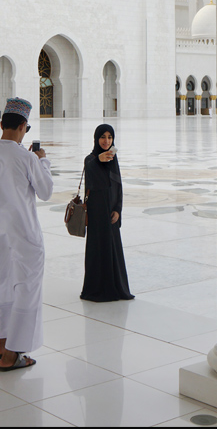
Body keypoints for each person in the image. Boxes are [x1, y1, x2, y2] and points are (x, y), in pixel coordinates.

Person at [0, 97, 53, 371]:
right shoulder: (27, 157)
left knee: (3, 287)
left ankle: (2, 344)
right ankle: (12, 355)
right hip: (26, 237)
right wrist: (43, 162)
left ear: (2, 124)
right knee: (26, 292)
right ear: (22, 126)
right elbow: (45, 192)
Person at [80, 124, 134, 302]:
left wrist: (118, 209)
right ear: (96, 139)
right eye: (103, 137)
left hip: (111, 213)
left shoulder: (113, 158)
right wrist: (98, 161)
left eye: (110, 137)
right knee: (98, 248)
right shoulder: (91, 159)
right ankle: (97, 289)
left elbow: (118, 186)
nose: (106, 141)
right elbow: (91, 181)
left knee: (113, 248)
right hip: (97, 213)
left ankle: (116, 287)